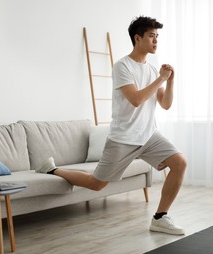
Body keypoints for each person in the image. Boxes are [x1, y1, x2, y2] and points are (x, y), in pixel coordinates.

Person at [36, 16, 187, 235]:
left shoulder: (153, 70)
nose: (156, 41)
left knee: (180, 162)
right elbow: (136, 100)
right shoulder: (122, 66)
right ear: (138, 38)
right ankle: (52, 169)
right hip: (123, 138)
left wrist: (170, 81)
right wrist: (161, 80)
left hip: (148, 135)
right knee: (97, 184)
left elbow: (165, 104)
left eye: (157, 37)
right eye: (151, 36)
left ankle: (160, 217)